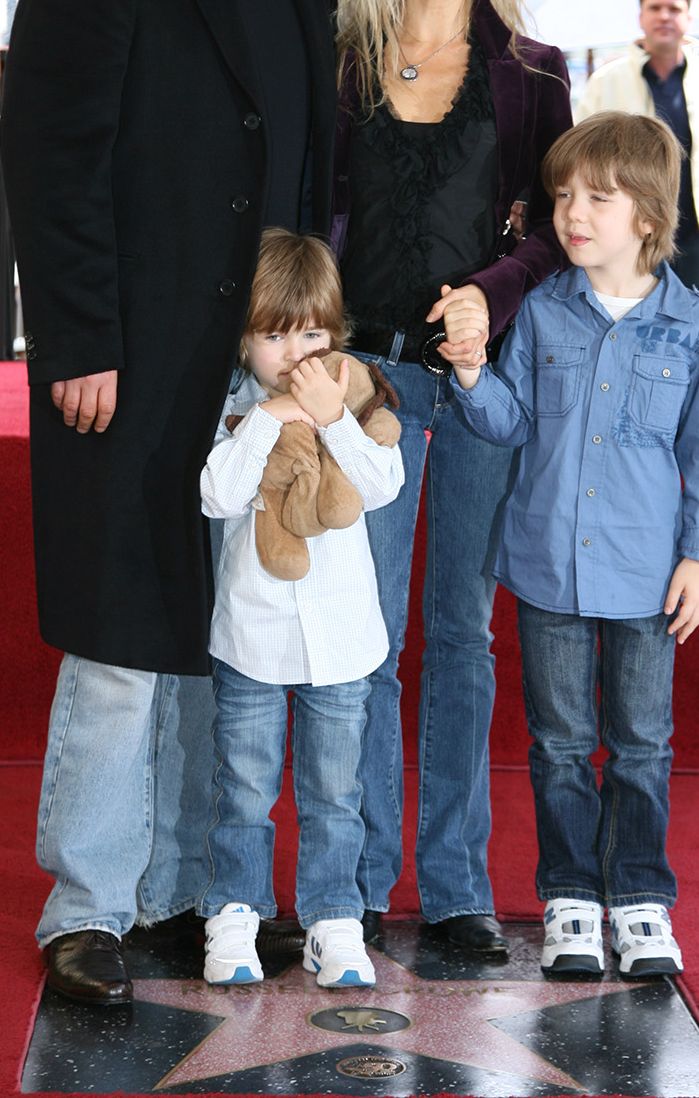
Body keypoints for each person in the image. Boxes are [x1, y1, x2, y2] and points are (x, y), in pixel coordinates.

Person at [2, 0, 337, 1006]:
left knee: (231, 635)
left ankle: (195, 893)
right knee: (123, 641)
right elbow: (54, 158)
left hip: (255, 377)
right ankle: (89, 903)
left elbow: (307, 184)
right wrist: (76, 335)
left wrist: (309, 361)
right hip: (128, 365)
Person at [333, 0, 572, 953]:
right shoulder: (336, 60)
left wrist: (489, 291)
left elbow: (557, 239)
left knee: (459, 639)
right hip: (365, 382)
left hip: (481, 387)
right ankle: (362, 880)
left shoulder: (534, 72)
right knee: (365, 643)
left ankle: (457, 885)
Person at [452, 112, 699, 979]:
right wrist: (469, 376)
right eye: (564, 195)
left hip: (649, 574)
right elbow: (512, 422)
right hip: (547, 566)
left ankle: (641, 899)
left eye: (595, 199)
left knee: (643, 742)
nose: (571, 213)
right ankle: (571, 897)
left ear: (646, 215)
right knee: (561, 742)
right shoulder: (539, 313)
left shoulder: (692, 326)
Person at [198, 230, 403, 989]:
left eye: (312, 333)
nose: (295, 353)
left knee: (334, 791)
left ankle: (332, 920)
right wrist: (270, 415)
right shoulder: (233, 406)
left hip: (343, 640)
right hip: (252, 634)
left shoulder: (358, 395)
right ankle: (235, 911)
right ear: (246, 338)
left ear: (335, 332)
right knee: (245, 786)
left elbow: (382, 485)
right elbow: (216, 496)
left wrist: (331, 418)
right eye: (274, 335)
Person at [576, 0, 699, 299]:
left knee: (691, 331)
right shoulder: (608, 81)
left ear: (689, 17)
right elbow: (582, 158)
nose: (664, 16)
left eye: (674, 8)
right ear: (641, 16)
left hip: (695, 237)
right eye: (655, 8)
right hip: (626, 233)